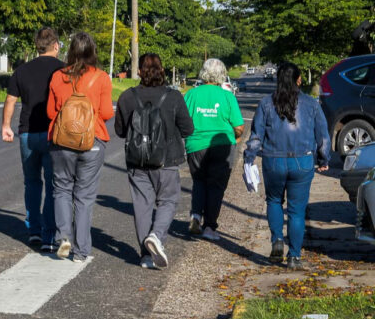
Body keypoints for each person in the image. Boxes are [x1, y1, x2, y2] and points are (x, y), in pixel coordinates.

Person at [244, 62, 330, 270]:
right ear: (299, 79)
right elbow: (323, 136)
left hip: (273, 160)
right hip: (302, 161)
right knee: (296, 211)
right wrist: (323, 159)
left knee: (273, 200)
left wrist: (249, 157)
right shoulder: (311, 104)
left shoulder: (266, 103)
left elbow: (256, 136)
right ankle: (294, 257)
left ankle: (277, 241)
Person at [115, 53, 193, 269]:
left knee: (142, 206)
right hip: (166, 161)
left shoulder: (127, 97)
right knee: (168, 201)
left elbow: (120, 132)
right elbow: (188, 129)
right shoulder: (174, 97)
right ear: (162, 71)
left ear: (139, 71)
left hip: (137, 162)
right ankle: (157, 236)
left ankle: (146, 256)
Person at [46, 32, 113, 262]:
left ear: (71, 51)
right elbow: (106, 113)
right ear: (92, 51)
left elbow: (50, 112)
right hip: (92, 140)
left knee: (62, 189)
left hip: (62, 142)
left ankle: (64, 236)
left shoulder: (57, 76)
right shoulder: (102, 77)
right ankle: (81, 251)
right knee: (84, 197)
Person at [2, 27, 64, 251]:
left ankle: (34, 231)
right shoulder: (63, 70)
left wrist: (5, 126)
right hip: (53, 133)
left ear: (37, 46)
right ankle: (48, 236)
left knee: (32, 182)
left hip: (27, 132)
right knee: (53, 184)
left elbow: (10, 100)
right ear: (55, 45)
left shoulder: (22, 70)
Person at [184, 58, 245, 241]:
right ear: (222, 75)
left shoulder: (191, 95)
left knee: (199, 181)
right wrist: (236, 136)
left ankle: (196, 215)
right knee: (216, 186)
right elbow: (240, 126)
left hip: (196, 145)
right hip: (222, 145)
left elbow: (182, 121)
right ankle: (210, 227)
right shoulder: (227, 96)